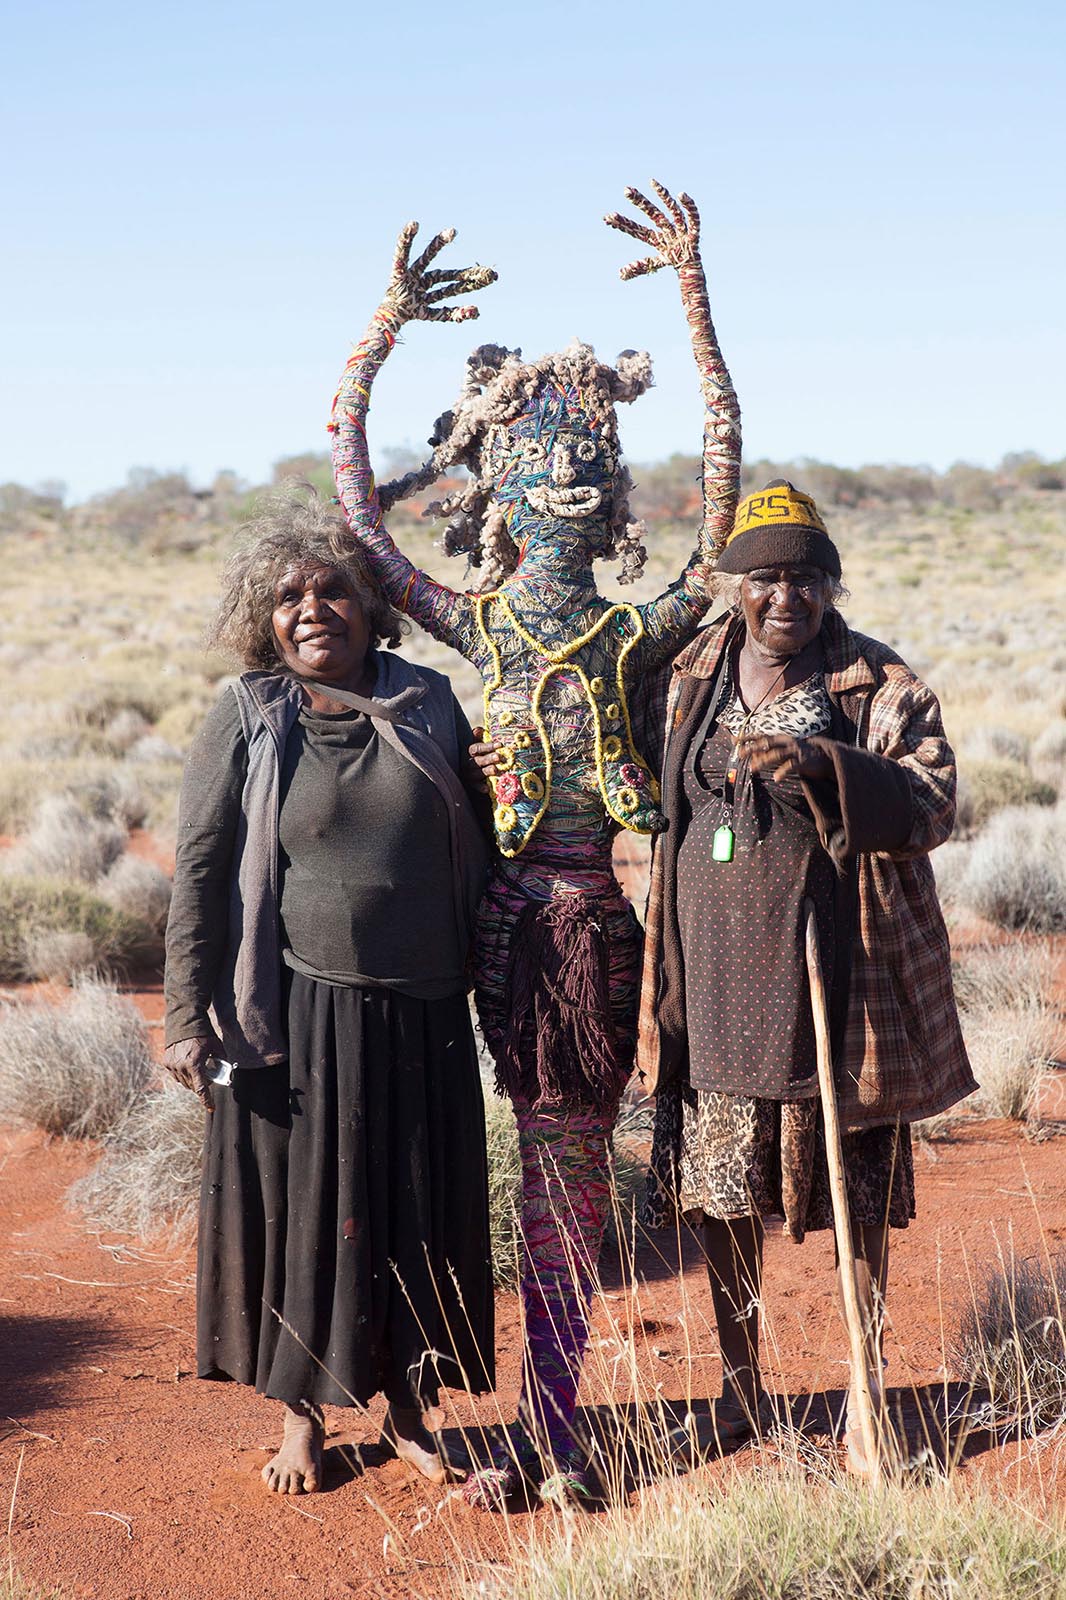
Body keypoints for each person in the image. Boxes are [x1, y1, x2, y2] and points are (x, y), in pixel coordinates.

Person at [326, 181, 741, 1505]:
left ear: (615, 484)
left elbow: (723, 506)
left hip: (592, 937)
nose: (567, 468)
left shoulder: (635, 629)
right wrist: (380, 334)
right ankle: (484, 1413)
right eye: (538, 453)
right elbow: (356, 511)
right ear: (493, 479)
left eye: (589, 455)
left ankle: (557, 1435)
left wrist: (692, 293)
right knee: (486, 1173)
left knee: (567, 1180)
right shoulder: (476, 622)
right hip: (482, 940)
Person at [636, 478, 977, 1473]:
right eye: (766, 578)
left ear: (831, 584)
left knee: (854, 1193)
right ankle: (742, 1390)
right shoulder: (687, 669)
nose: (786, 598)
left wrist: (827, 768)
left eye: (807, 578)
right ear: (735, 585)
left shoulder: (876, 681)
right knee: (722, 1198)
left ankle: (865, 1390)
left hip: (837, 971)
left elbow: (930, 803)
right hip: (710, 979)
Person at [162, 485, 494, 1495]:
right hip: (293, 1013)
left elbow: (489, 821)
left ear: (372, 607)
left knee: (414, 1211)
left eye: (334, 592)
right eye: (291, 597)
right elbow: (201, 865)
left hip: (425, 1007)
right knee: (302, 1218)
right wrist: (186, 1016)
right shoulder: (248, 716)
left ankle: (407, 1412)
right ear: (263, 619)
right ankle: (301, 1416)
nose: (314, 610)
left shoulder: (426, 700)